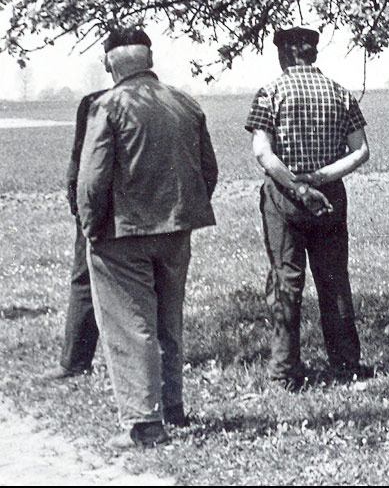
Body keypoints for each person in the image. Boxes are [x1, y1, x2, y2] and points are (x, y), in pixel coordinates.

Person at [77, 28, 218, 449]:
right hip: (176, 231)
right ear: (149, 59)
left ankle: (144, 423)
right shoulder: (185, 103)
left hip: (123, 234)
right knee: (167, 321)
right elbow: (207, 171)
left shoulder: (107, 106)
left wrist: (90, 226)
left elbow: (92, 180)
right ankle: (172, 407)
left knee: (130, 326)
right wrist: (183, 211)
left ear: (109, 64)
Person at [244, 27, 371, 390]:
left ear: (284, 53)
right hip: (329, 195)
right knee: (334, 281)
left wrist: (297, 184)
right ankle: (346, 365)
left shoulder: (270, 93)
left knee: (286, 281)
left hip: (285, 195)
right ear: (314, 53)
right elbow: (361, 151)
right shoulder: (339, 93)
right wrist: (319, 177)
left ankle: (285, 371)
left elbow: (262, 152)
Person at [43, 88, 107, 381]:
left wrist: (78, 206)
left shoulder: (95, 102)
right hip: (144, 209)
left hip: (98, 205)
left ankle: (75, 361)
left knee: (84, 279)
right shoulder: (166, 101)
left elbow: (77, 160)